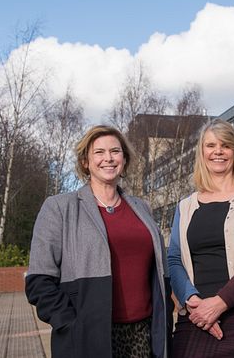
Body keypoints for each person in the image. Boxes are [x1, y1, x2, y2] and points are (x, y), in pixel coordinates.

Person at [25, 125, 170, 358]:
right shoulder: (59, 208)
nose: (108, 158)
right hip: (88, 337)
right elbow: (39, 281)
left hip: (143, 334)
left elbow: (160, 272)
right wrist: (71, 325)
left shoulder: (141, 208)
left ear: (124, 158)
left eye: (115, 151)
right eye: (99, 152)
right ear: (85, 161)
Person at [168, 118, 234, 357]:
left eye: (225, 145)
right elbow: (174, 259)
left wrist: (219, 303)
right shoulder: (184, 206)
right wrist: (191, 300)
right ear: (202, 152)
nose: (218, 151)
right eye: (211, 145)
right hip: (195, 317)